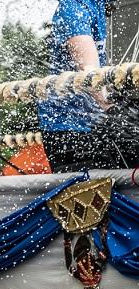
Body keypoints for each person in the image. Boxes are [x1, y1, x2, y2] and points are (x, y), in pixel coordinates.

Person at [37, 0, 139, 171]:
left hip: (94, 122)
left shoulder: (97, 5)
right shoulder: (72, 8)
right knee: (97, 193)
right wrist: (113, 109)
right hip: (68, 127)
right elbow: (89, 72)